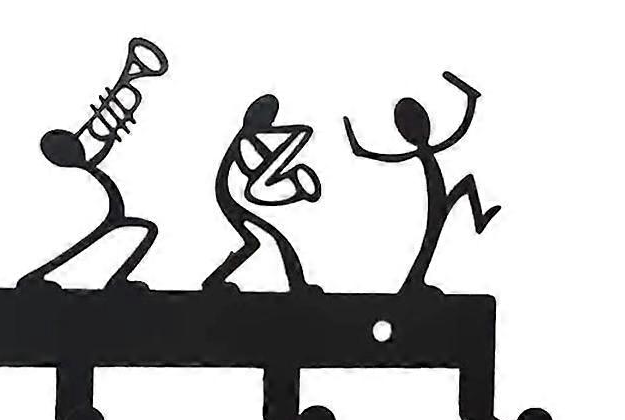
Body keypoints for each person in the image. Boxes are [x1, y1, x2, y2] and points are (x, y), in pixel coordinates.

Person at [344, 72, 500, 292]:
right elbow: (367, 154)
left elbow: (462, 128)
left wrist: (470, 98)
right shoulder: (421, 152)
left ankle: (478, 220)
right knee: (433, 230)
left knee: (463, 188)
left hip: (439, 194)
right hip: (436, 194)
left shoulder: (429, 149)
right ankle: (415, 281)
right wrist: (353, 139)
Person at [203, 95, 322, 293]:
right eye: (268, 116)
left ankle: (215, 280)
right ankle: (297, 284)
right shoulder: (245, 141)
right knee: (270, 239)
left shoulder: (252, 139)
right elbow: (256, 171)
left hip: (236, 198)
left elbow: (267, 165)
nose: (270, 121)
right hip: (234, 198)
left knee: (253, 242)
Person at [18, 127, 157, 290]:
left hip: (112, 213)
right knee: (145, 228)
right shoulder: (80, 170)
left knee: (145, 228)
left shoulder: (83, 165)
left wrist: (108, 142)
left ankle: (117, 281)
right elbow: (92, 165)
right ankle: (117, 281)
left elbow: (93, 162)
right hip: (109, 213)